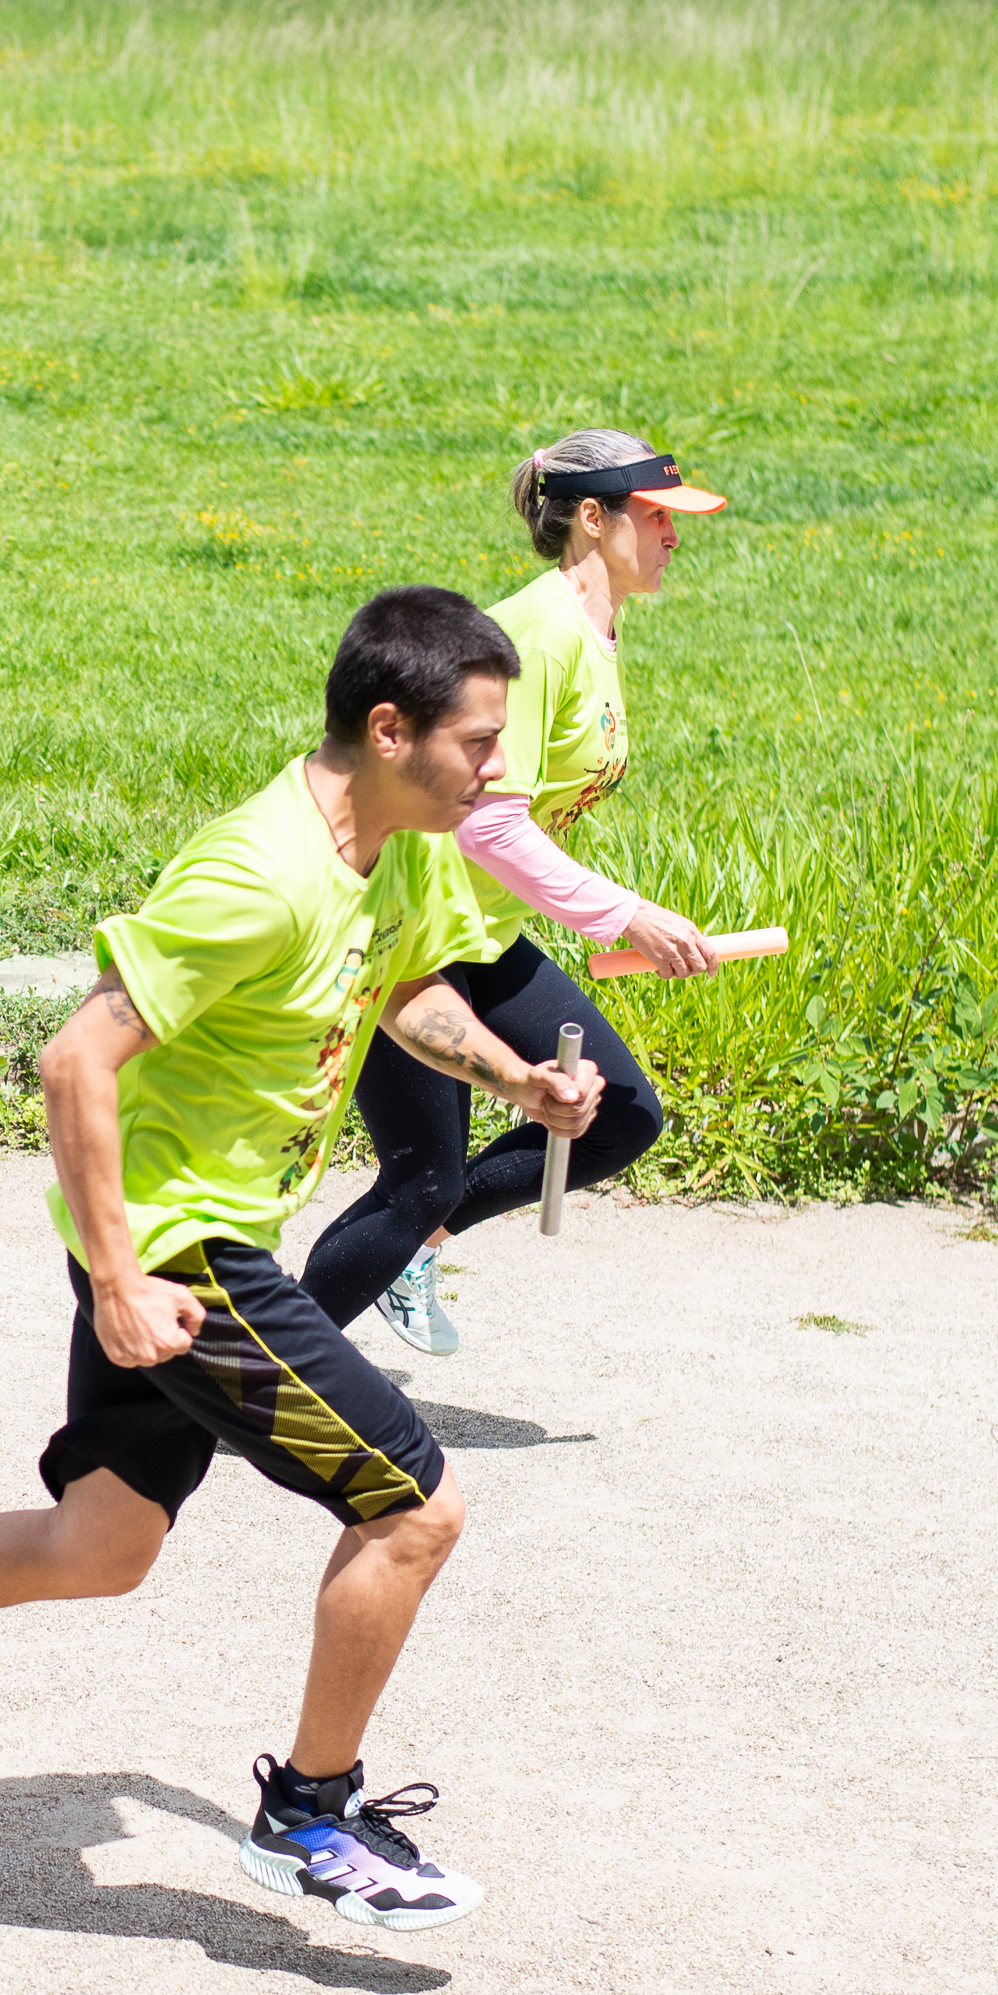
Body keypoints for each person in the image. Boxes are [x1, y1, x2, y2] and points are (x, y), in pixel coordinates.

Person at [0, 588, 605, 1935]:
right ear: (391, 729)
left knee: (99, 1543)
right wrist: (118, 1277)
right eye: (477, 740)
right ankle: (308, 1813)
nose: (500, 768)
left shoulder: (399, 844)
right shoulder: (257, 873)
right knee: (415, 1506)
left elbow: (401, 990)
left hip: (191, 1238)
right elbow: (74, 1058)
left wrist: (515, 1076)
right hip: (180, 1251)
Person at [304, 431, 729, 1354]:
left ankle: (407, 1256)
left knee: (619, 1114)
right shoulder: (539, 634)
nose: (673, 535)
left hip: (482, 929)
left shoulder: (595, 630)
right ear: (592, 518)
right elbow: (486, 822)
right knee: (420, 1179)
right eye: (658, 517)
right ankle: (258, 1378)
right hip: (416, 926)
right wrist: (624, 914)